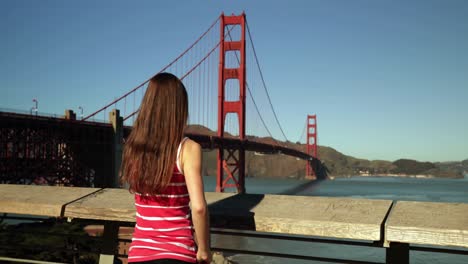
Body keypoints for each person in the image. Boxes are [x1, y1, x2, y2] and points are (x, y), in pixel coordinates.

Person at [121, 72, 211, 264]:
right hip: (178, 255)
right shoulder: (189, 149)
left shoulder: (133, 147)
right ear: (180, 109)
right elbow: (199, 208)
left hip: (139, 256)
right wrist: (204, 250)